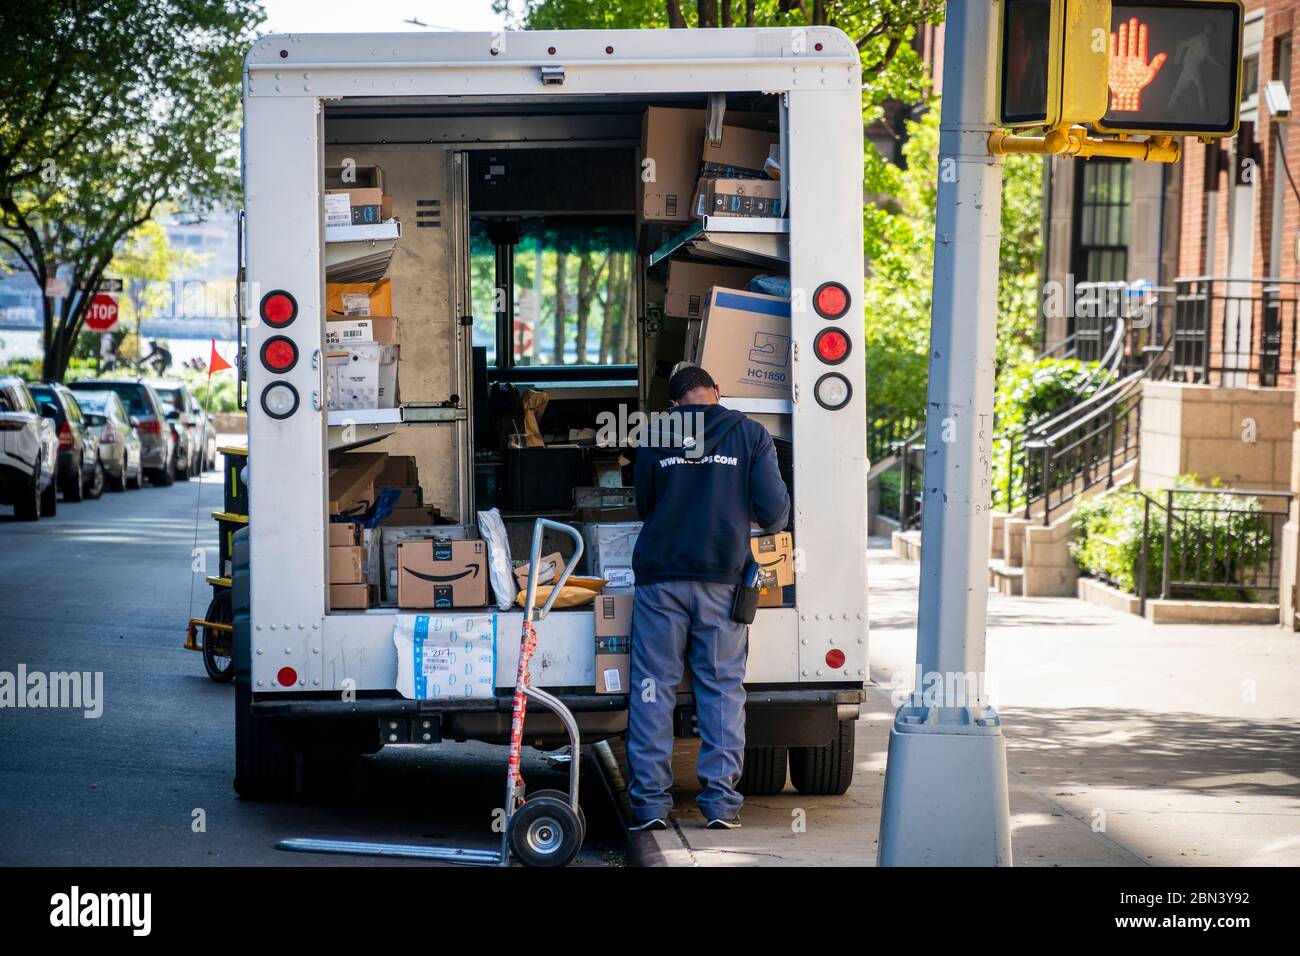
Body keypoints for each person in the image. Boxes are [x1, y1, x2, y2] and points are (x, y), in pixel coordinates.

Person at [625, 365, 791, 830]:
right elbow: (776, 513)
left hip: (661, 579)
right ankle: (720, 805)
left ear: (675, 404)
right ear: (716, 393)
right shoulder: (750, 434)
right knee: (720, 690)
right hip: (723, 578)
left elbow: (644, 504)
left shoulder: (655, 435)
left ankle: (650, 807)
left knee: (652, 691)